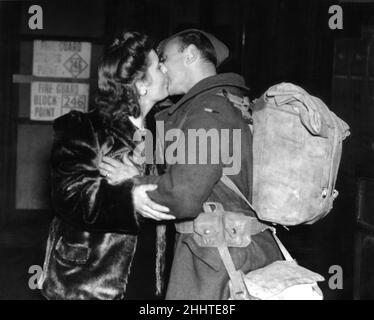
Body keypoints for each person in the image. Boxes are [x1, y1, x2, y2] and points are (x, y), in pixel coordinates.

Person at [128, 29, 284, 300]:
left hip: (217, 264)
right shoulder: (237, 104)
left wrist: (129, 184)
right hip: (242, 251)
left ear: (189, 55)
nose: (161, 68)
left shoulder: (206, 111)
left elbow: (184, 195)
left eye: (164, 58)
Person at [39, 31, 175, 300]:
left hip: (144, 280)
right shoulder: (83, 127)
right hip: (87, 282)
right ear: (140, 84)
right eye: (158, 65)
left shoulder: (164, 132)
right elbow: (71, 196)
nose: (166, 68)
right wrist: (129, 197)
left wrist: (141, 182)